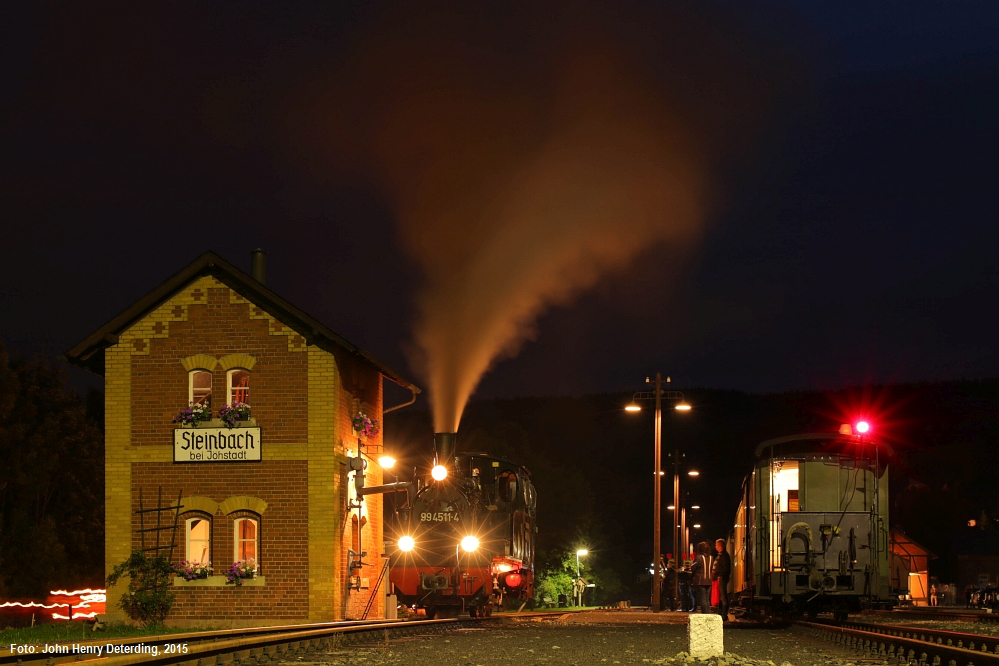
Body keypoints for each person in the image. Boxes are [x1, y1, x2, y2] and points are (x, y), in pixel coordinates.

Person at [690, 541, 713, 614]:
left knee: (702, 598)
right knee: (707, 598)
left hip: (700, 581)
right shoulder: (711, 558)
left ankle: (705, 614)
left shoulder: (699, 557)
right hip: (709, 581)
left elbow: (693, 567)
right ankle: (707, 613)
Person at [712, 538, 732, 620]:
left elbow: (725, 568)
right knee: (720, 596)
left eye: (716, 545)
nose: (715, 546)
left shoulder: (724, 556)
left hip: (721, 579)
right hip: (719, 578)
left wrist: (721, 576)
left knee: (723, 596)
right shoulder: (721, 555)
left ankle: (724, 613)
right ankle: (720, 612)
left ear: (720, 546)